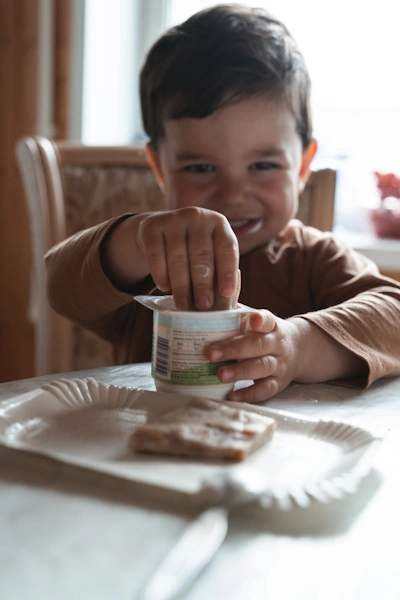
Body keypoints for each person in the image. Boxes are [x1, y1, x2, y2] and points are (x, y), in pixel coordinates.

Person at [46, 3, 400, 403]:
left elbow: (395, 315)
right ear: (159, 168)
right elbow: (58, 287)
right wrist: (134, 242)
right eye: (200, 167)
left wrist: (299, 346)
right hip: (149, 454)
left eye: (263, 164)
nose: (232, 195)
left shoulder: (313, 259)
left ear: (302, 167)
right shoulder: (151, 267)